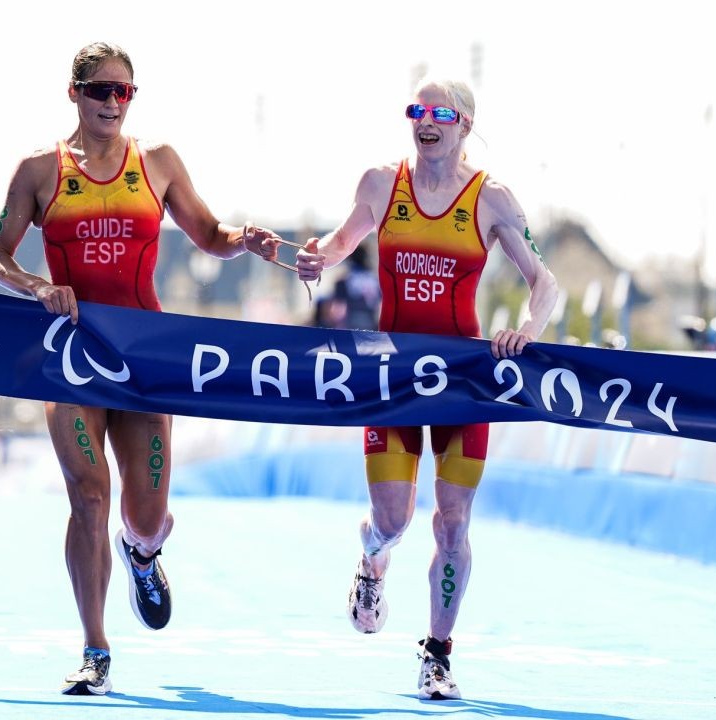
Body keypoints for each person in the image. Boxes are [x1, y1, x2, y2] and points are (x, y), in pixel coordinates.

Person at [0, 42, 281, 696]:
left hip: (142, 360)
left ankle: (142, 552)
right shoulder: (38, 171)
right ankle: (95, 648)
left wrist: (245, 241)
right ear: (75, 93)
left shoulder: (158, 163)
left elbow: (209, 235)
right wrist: (35, 285)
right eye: (101, 91)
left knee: (144, 516)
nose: (113, 102)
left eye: (125, 92)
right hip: (71, 361)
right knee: (89, 495)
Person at [277, 77, 559, 700]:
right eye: (416, 111)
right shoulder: (382, 183)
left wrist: (526, 330)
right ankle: (373, 558)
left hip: (463, 380)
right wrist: (313, 255)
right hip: (393, 372)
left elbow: (546, 284)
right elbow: (342, 241)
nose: (425, 121)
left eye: (440, 113)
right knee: (394, 518)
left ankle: (437, 654)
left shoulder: (493, 199)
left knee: (453, 523)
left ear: (464, 123)